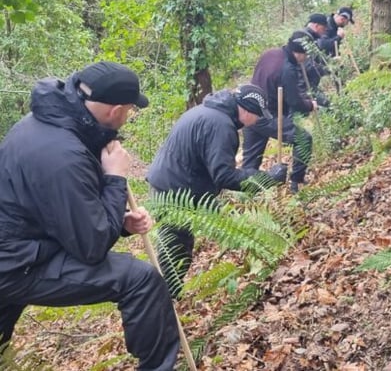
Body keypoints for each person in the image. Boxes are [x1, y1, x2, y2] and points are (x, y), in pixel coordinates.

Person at [0, 61, 179, 370]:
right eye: (129, 111)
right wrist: (115, 179)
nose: (128, 117)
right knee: (141, 280)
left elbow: (60, 210)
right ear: (116, 110)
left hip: (22, 245)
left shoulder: (46, 123)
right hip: (18, 263)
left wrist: (120, 223)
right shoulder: (62, 154)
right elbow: (91, 246)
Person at [146, 84, 287, 299]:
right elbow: (224, 176)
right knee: (176, 251)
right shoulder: (221, 125)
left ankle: (168, 298)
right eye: (257, 116)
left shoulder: (207, 111)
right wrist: (266, 178)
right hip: (174, 192)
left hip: (170, 185)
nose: (257, 121)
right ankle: (166, 302)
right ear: (247, 111)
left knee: (178, 247)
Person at [242, 30, 318, 194]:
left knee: (250, 162)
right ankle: (296, 182)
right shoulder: (287, 69)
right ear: (299, 53)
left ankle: (247, 193)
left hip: (247, 111)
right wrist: (310, 105)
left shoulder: (270, 53)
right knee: (303, 138)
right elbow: (295, 102)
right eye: (306, 54)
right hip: (267, 115)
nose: (306, 59)